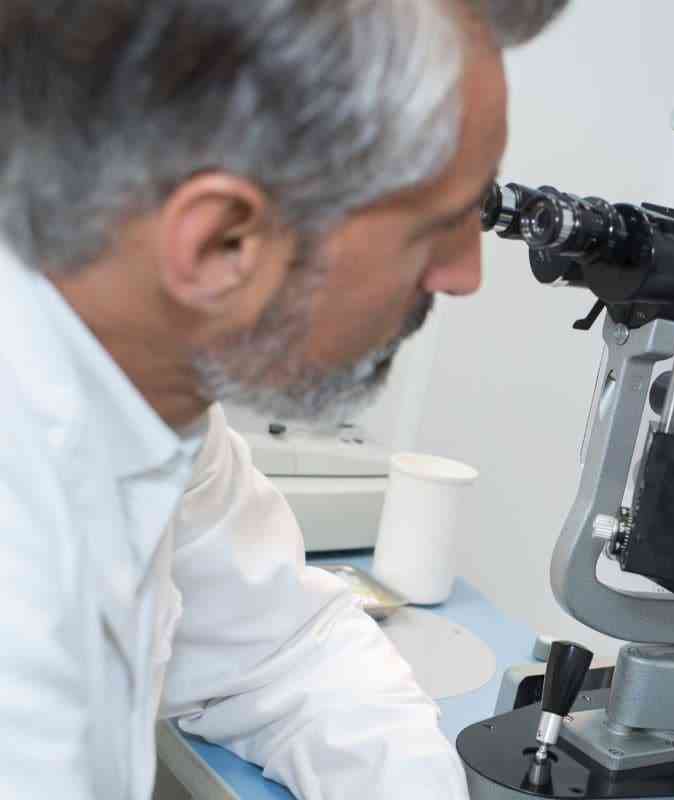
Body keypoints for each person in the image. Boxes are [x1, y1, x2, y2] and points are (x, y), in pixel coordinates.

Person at [0, 1, 565, 797]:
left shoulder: (155, 392)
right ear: (221, 244)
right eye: (438, 225)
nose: (465, 274)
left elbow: (286, 653)